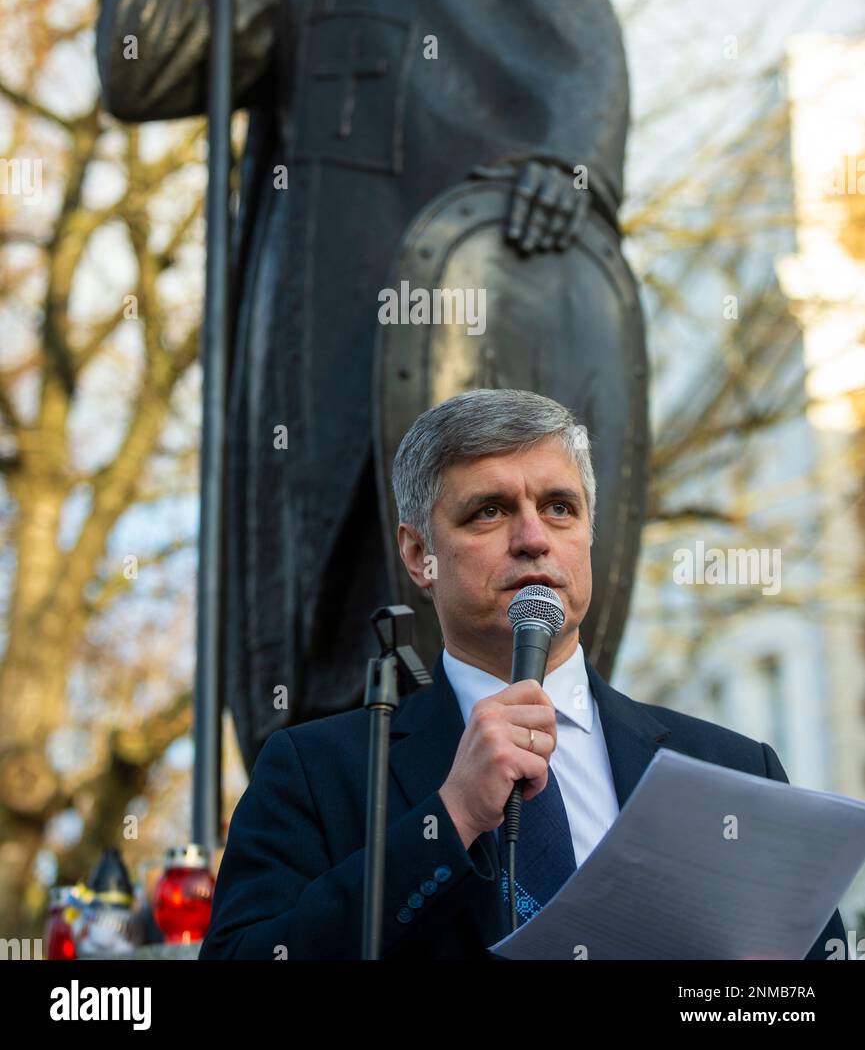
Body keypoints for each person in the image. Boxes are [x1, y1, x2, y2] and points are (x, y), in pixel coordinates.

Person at [96, 0, 634, 771]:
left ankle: (473, 767)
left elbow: (588, 74)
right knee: (331, 576)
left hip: (467, 314)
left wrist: (569, 173)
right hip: (319, 326)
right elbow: (146, 79)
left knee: (463, 522)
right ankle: (336, 775)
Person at [198, 388, 848, 960]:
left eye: (560, 507)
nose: (533, 536)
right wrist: (449, 818)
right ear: (420, 554)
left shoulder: (735, 771)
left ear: (588, 535)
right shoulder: (317, 773)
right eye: (489, 511)